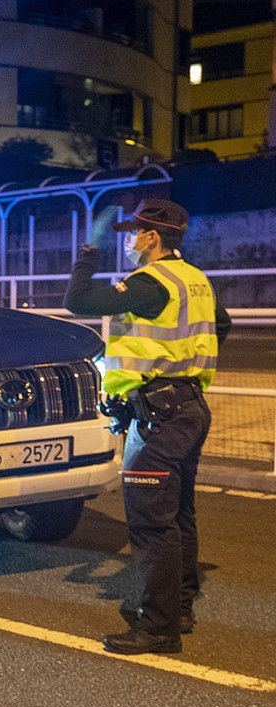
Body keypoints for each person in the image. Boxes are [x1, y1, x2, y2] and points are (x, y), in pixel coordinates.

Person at [64, 199, 230, 655]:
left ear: (152, 238)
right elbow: (224, 326)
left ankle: (158, 628)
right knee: (178, 515)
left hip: (160, 415)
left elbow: (77, 301)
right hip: (190, 407)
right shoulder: (196, 280)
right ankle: (178, 609)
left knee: (152, 524)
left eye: (135, 233)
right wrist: (182, 365)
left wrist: (88, 254)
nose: (130, 242)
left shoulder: (150, 282)